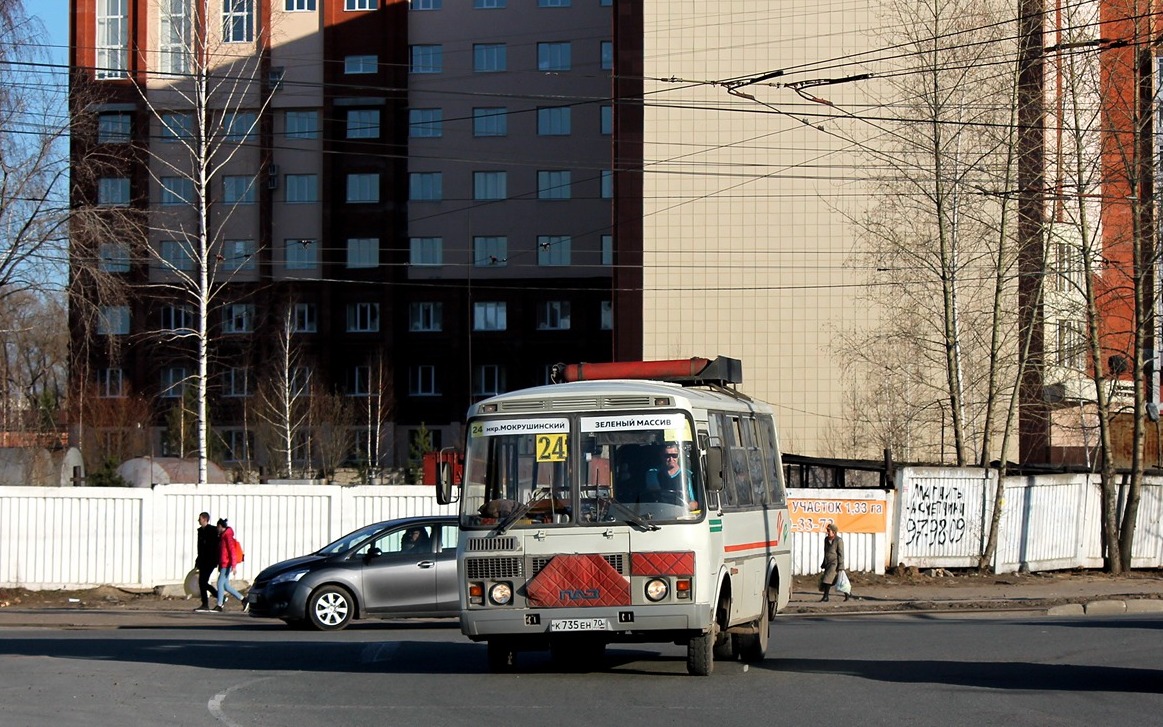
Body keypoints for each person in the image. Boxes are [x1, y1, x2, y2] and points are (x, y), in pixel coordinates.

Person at [214, 518, 247, 612]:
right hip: (225, 563)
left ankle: (219, 605)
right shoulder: (224, 536)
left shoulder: (227, 536)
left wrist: (234, 565)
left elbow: (232, 551)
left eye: (217, 527)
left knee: (220, 583)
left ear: (220, 526)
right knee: (225, 586)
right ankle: (243, 599)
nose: (217, 529)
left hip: (227, 563)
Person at [194, 512, 219, 612]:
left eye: (200, 519)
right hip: (202, 561)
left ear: (204, 519)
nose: (198, 520)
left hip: (210, 561)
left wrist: (215, 559)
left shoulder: (212, 531)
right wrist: (198, 560)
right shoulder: (200, 531)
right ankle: (216, 597)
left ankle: (206, 603)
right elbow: (200, 548)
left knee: (203, 582)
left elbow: (214, 547)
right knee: (202, 582)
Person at [819, 523, 848, 602]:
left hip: (835, 563)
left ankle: (826, 597)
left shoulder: (838, 540)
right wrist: (824, 562)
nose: (827, 532)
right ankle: (847, 593)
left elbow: (841, 554)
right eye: (827, 530)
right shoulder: (826, 540)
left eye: (829, 530)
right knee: (836, 580)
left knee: (827, 579)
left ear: (834, 532)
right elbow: (825, 552)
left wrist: (841, 565)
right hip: (828, 562)